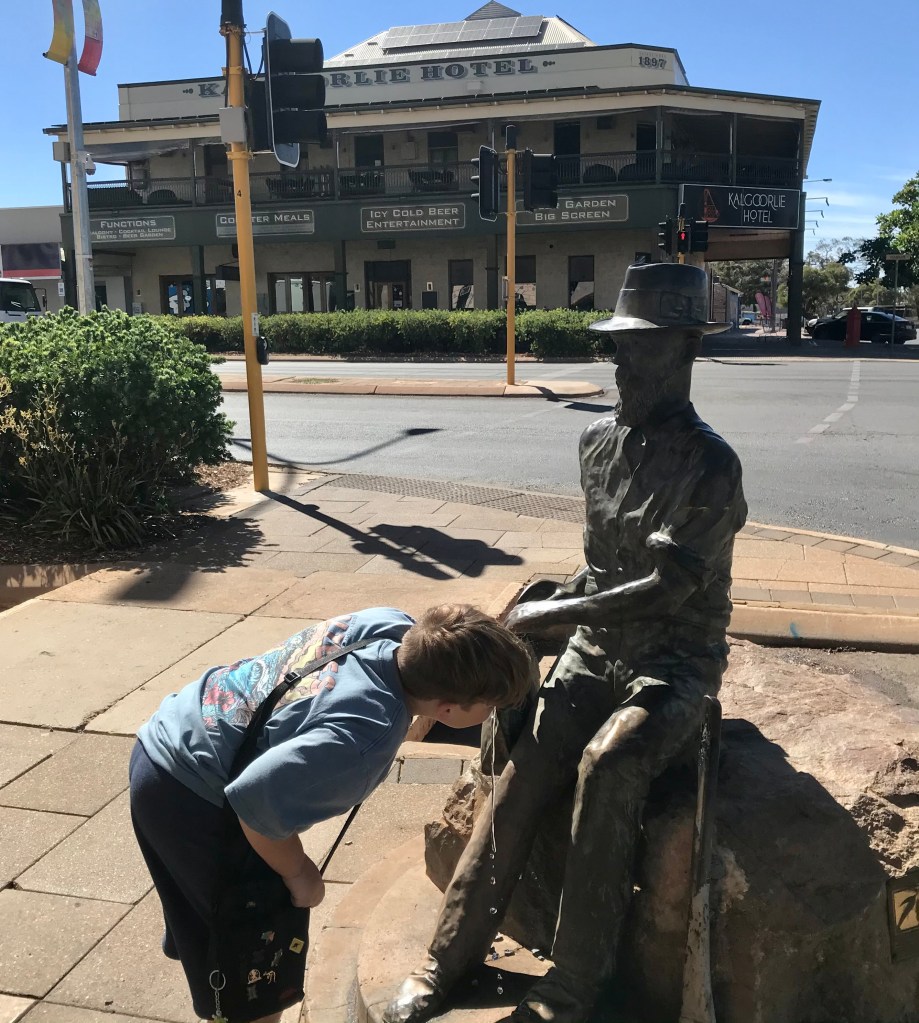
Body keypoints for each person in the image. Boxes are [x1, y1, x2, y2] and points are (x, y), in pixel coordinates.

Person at [385, 262, 748, 1023]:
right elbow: (600, 566)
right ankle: (444, 959)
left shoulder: (711, 465)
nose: (618, 363)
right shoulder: (594, 442)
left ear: (685, 347)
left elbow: (666, 590)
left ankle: (574, 985)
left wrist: (545, 619)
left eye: (638, 346)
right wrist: (547, 606)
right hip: (595, 649)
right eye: (616, 346)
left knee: (608, 766)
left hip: (675, 661)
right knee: (526, 770)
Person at [129, 603, 536, 1023]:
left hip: (174, 731)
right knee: (254, 979)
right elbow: (254, 804)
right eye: (490, 706)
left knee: (210, 931)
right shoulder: (362, 741)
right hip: (191, 799)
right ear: (448, 710)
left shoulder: (389, 625)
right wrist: (299, 873)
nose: (492, 714)